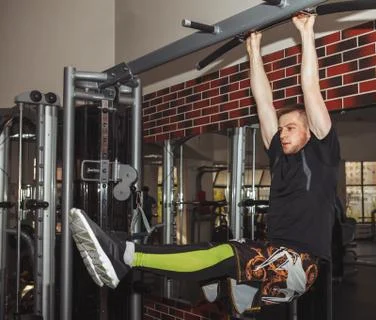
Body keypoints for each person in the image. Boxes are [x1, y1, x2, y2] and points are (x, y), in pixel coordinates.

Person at [68, 13, 339, 315]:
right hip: (275, 258)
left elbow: (310, 88)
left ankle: (127, 256)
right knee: (222, 253)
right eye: (281, 127)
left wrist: (306, 32)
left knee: (226, 253)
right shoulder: (278, 153)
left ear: (310, 131)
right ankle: (233, 292)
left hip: (301, 263)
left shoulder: (322, 154)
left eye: (290, 127)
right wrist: (253, 50)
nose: (282, 132)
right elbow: (263, 101)